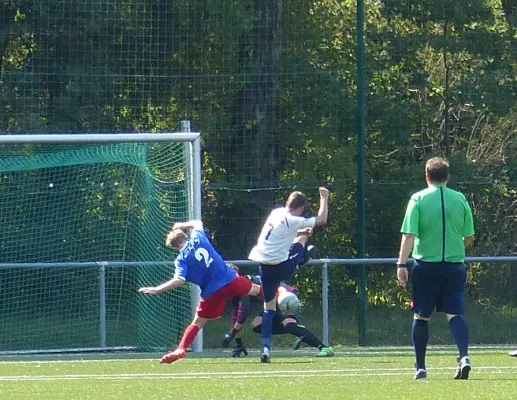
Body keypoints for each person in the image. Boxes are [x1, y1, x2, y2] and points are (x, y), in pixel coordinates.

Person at [138, 220, 261, 364]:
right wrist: (182, 225)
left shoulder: (181, 259)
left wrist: (157, 289)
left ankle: (181, 348)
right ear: (185, 236)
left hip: (212, 292)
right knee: (258, 290)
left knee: (197, 322)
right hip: (229, 279)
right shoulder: (198, 238)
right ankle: (281, 295)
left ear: (174, 247)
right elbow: (197, 222)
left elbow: (179, 280)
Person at [396, 157, 475, 380]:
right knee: (455, 314)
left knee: (421, 317)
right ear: (447, 177)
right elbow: (469, 237)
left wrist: (402, 263)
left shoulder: (418, 199)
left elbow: (409, 234)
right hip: (454, 266)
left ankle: (420, 367)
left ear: (427, 176)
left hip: (426, 266)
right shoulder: (460, 199)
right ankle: (464, 356)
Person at [248, 187, 329, 363]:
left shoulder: (276, 213)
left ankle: (266, 349)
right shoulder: (295, 220)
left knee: (268, 310)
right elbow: (322, 220)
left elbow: (281, 234)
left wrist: (301, 231)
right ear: (300, 208)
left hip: (264, 267)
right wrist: (324, 198)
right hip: (281, 267)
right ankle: (303, 259)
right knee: (301, 242)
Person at [222, 277, 334, 358]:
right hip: (272, 303)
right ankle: (298, 330)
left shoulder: (243, 285)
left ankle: (324, 348)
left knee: (289, 325)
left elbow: (243, 313)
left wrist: (232, 333)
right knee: (256, 325)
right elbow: (236, 316)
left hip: (285, 297)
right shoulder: (236, 290)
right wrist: (238, 343)